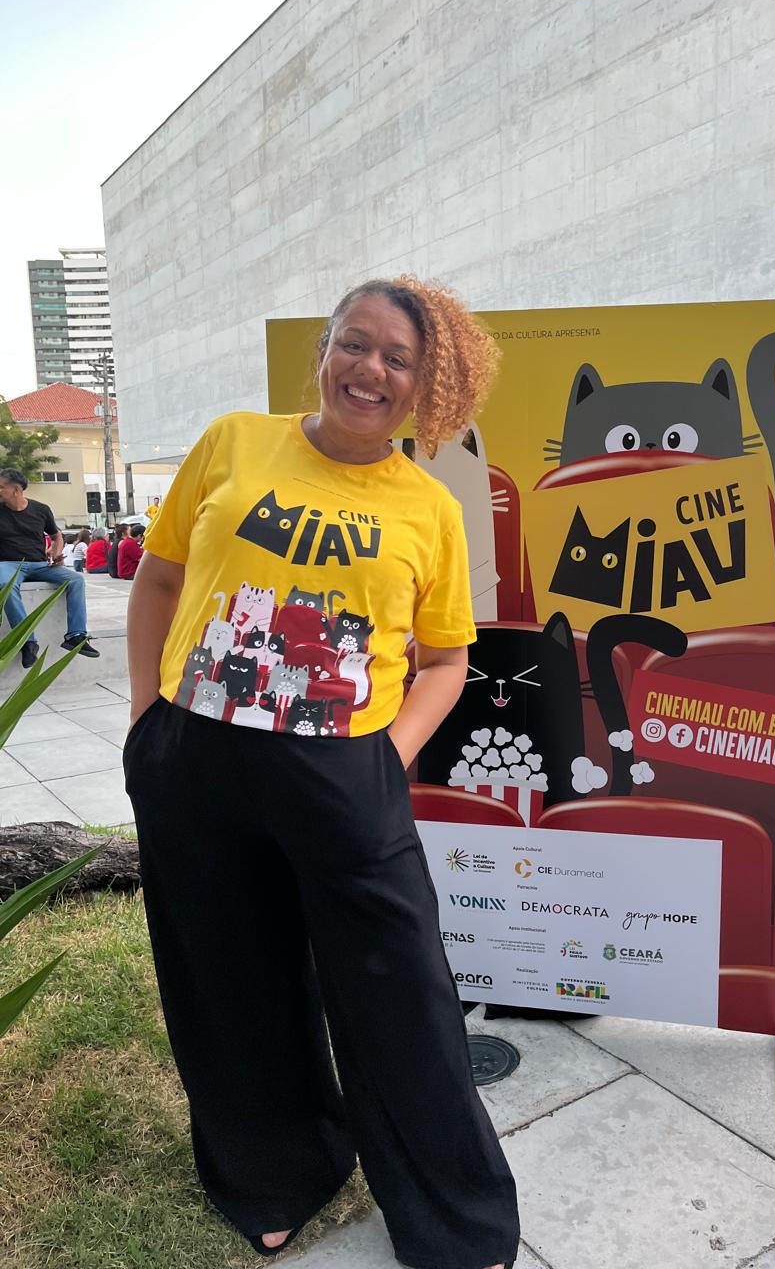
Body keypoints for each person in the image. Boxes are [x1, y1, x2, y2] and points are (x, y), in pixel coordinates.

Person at [123, 277, 519, 1267]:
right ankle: (273, 1173)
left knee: (405, 996)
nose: (370, 369)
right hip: (195, 758)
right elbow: (160, 578)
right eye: (355, 342)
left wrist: (385, 755)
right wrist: (145, 717)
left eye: (398, 358)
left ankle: (455, 1216)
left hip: (345, 775)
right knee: (229, 978)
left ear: (428, 385)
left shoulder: (428, 506)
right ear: (324, 351)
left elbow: (446, 662)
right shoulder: (234, 442)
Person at [0, 468, 100, 666]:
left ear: (16, 490)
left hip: (40, 564)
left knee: (76, 579)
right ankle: (27, 642)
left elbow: (56, 536)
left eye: (1, 487)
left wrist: (56, 552)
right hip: (9, 564)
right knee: (5, 584)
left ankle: (75, 636)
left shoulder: (41, 509)